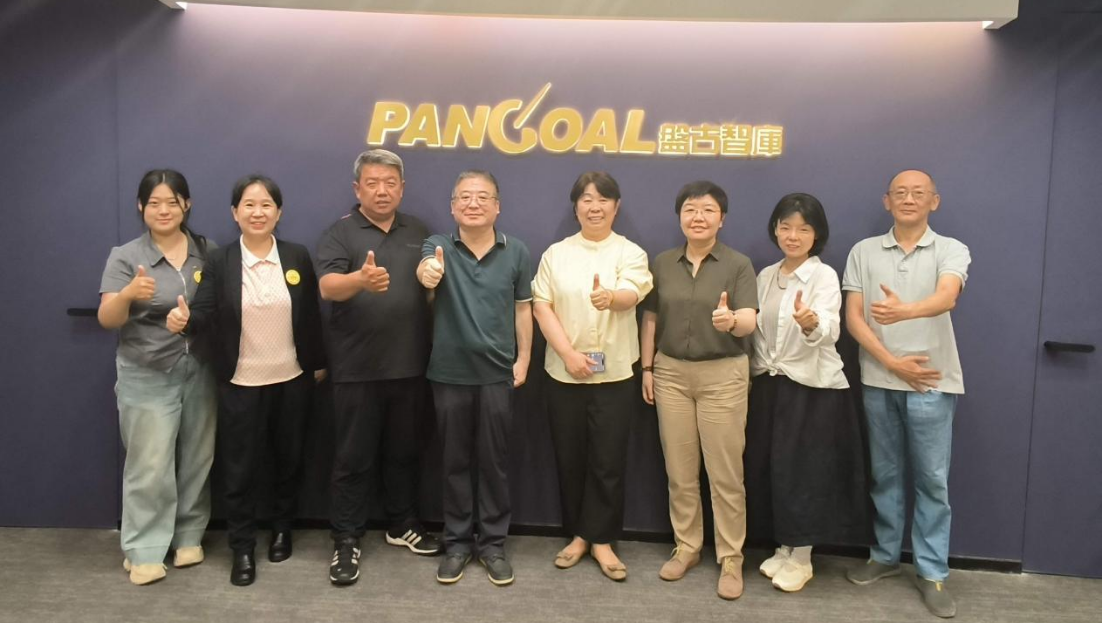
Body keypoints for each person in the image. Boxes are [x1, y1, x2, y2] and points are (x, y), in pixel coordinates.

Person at [168, 174, 325, 586]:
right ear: (234, 213)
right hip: (240, 381)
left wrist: (318, 363)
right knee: (240, 469)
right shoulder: (220, 261)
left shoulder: (295, 255)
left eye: (266, 205)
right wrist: (185, 321)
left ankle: (282, 529)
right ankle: (242, 546)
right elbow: (203, 312)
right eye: (249, 205)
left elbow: (311, 315)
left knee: (288, 460)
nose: (258, 212)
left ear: (279, 212)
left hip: (291, 377)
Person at [842, 169, 970, 619]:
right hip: (880, 379)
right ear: (887, 201)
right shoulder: (863, 251)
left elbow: (947, 297)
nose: (909, 199)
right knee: (885, 475)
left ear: (934, 201)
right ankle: (884, 556)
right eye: (900, 192)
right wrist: (892, 362)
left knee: (932, 480)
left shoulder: (950, 249)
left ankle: (932, 572)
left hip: (932, 380)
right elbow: (854, 317)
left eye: (918, 193)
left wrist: (904, 312)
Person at [315, 149, 442, 587]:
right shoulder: (340, 233)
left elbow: (431, 285)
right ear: (357, 188)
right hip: (357, 369)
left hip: (410, 366)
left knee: (405, 453)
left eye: (390, 183)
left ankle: (401, 524)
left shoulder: (419, 231)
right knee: (353, 459)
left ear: (402, 188)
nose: (382, 191)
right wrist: (360, 280)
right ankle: (346, 539)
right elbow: (328, 287)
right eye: (372, 183)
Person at [97, 169, 216, 585]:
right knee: (149, 462)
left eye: (172, 202)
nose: (163, 210)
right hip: (146, 370)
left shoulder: (207, 252)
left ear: (187, 204)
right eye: (154, 203)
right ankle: (145, 548)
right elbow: (107, 318)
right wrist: (129, 294)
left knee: (198, 457)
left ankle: (188, 535)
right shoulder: (126, 256)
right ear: (140, 207)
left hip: (200, 368)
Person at [531, 171, 652, 581]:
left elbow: (633, 293)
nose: (594, 206)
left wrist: (611, 298)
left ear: (616, 207)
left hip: (614, 373)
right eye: (586, 198)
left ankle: (602, 540)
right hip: (563, 373)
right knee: (570, 457)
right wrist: (568, 354)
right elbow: (541, 306)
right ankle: (579, 536)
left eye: (603, 199)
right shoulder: (556, 254)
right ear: (576, 206)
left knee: (608, 459)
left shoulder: (631, 252)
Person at [640, 180, 757, 600]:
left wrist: (732, 322)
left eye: (708, 210)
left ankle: (731, 558)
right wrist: (648, 367)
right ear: (680, 217)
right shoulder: (663, 262)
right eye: (690, 209)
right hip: (671, 373)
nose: (698, 217)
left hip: (723, 375)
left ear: (721, 219)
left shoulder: (738, 264)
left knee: (725, 474)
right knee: (680, 471)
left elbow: (749, 320)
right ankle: (687, 546)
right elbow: (650, 318)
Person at [744, 192, 867, 593]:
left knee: (806, 472)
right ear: (775, 229)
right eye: (786, 227)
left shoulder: (823, 276)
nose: (793, 236)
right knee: (774, 468)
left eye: (803, 229)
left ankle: (802, 556)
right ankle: (784, 547)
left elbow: (830, 330)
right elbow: (757, 331)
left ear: (817, 235)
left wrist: (811, 322)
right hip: (770, 385)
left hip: (811, 389)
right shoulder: (766, 275)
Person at [417, 170, 533, 586]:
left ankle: (493, 545)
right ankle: (458, 544)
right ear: (452, 207)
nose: (473, 203)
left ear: (497, 207)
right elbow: (426, 269)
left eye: (483, 197)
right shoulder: (438, 244)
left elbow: (523, 308)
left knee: (494, 463)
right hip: (449, 374)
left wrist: (524, 359)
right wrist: (429, 273)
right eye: (464, 197)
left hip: (497, 374)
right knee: (454, 462)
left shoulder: (516, 251)